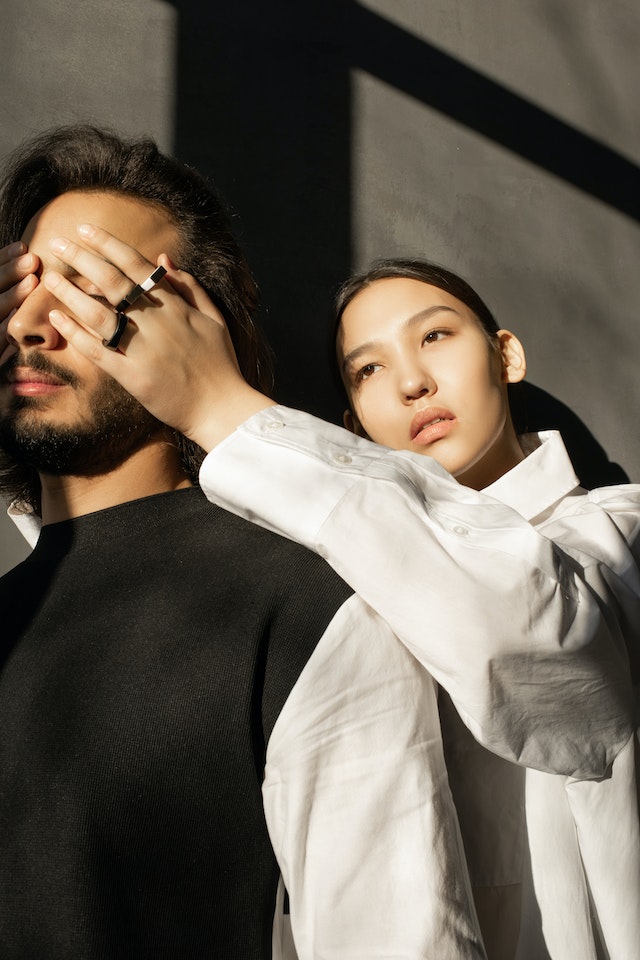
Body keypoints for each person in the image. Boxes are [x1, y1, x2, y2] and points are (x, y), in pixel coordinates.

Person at [3, 137, 639, 959]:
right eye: (366, 370)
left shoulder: (614, 532)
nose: (410, 382)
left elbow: (553, 655)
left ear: (505, 352)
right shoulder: (325, 558)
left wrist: (219, 406)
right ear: (350, 425)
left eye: (437, 335)